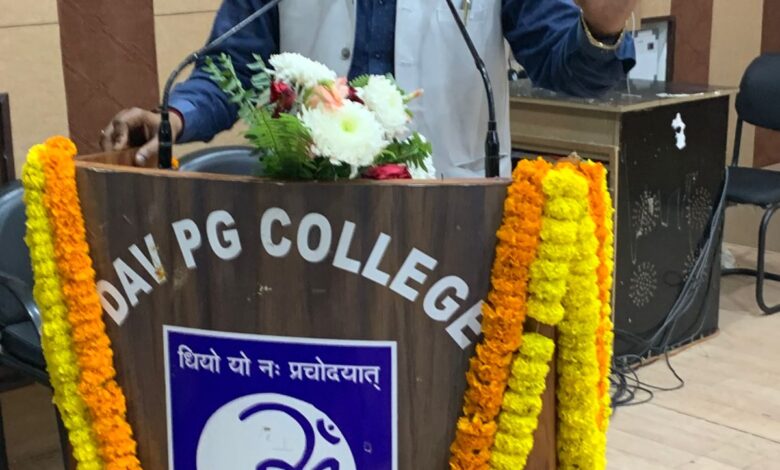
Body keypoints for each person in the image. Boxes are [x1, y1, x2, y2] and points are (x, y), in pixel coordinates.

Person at [101, 0, 636, 177]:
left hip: (453, 209)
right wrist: (176, 117)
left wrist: (604, 23)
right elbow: (236, 64)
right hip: (313, 216)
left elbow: (567, 68)